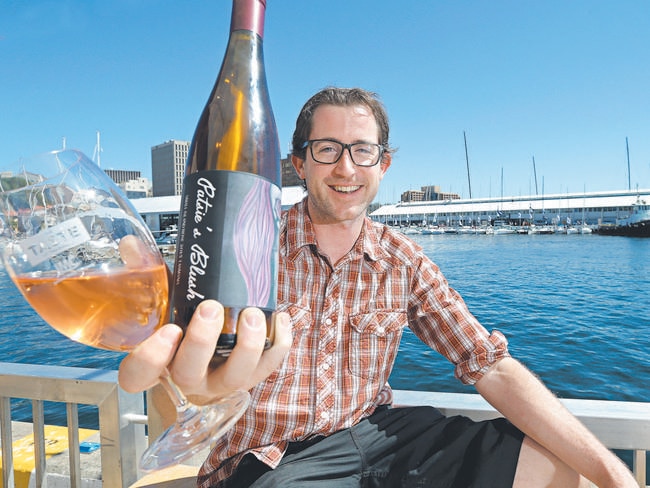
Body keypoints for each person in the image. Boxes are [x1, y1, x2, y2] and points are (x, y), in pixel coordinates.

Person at [119, 87, 637, 487]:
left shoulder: (402, 261)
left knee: (558, 470)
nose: (346, 168)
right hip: (268, 458)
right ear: (299, 163)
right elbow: (177, 382)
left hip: (374, 435)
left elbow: (489, 365)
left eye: (363, 151)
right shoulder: (245, 248)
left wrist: (616, 473)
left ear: (383, 165)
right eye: (327, 150)